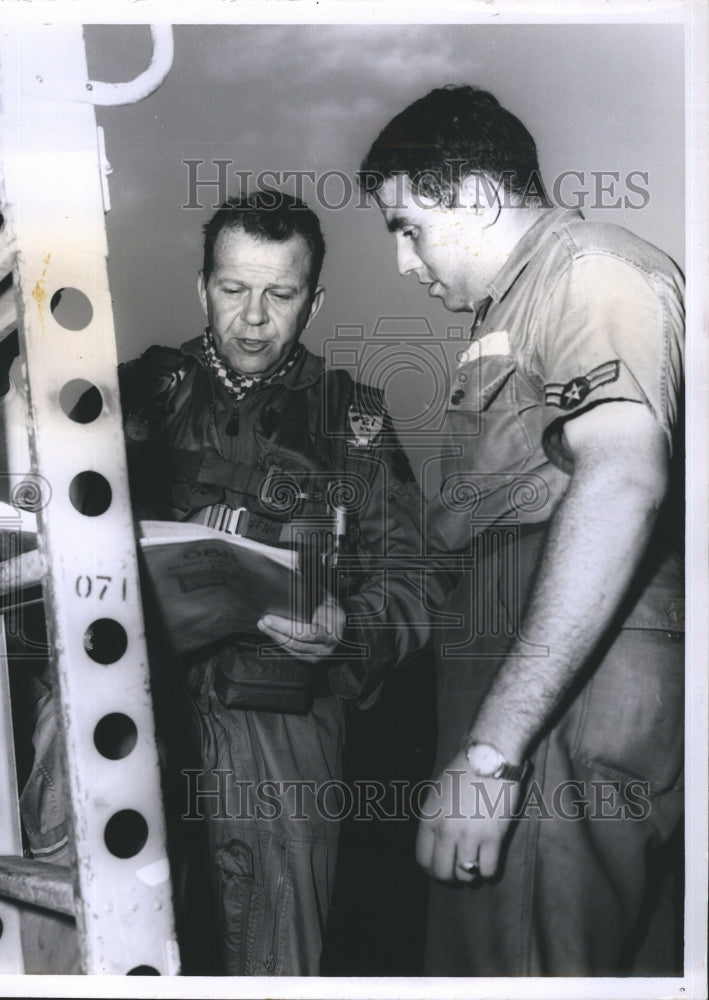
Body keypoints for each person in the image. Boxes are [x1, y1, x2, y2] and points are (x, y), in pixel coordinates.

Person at [358, 86, 685, 977]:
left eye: (408, 225)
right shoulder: (511, 311)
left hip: (557, 723)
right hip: (528, 705)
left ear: (474, 194)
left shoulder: (587, 272)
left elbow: (621, 481)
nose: (401, 261)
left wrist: (494, 756)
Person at [83, 189, 427, 976]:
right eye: (233, 290)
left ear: (313, 300)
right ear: (200, 286)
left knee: (276, 945)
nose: (253, 318)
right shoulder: (121, 397)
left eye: (281, 293)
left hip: (283, 707)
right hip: (125, 689)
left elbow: (408, 575)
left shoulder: (354, 420)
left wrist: (349, 629)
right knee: (88, 914)